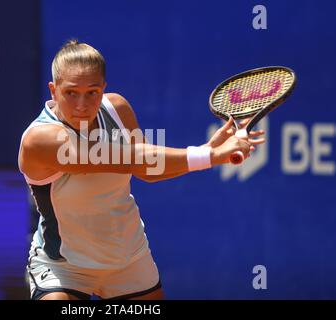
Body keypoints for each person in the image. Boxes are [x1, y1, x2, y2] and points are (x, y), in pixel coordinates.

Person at [18, 39, 265, 300]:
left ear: (103, 89)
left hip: (128, 260)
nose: (82, 104)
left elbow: (148, 169)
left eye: (92, 92)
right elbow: (130, 158)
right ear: (53, 90)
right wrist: (210, 155)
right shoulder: (40, 140)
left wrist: (207, 149)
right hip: (63, 267)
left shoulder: (117, 109)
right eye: (71, 93)